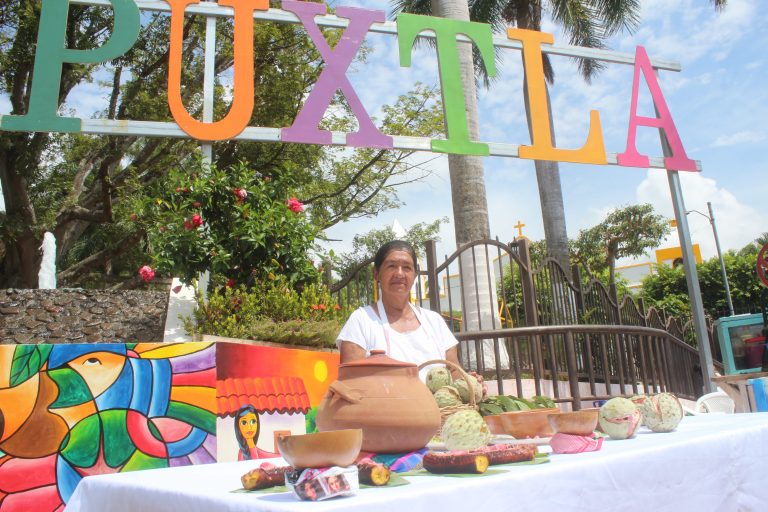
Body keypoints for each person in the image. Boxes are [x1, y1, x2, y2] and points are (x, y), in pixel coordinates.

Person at [336, 240, 467, 381]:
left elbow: (454, 371)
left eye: (406, 267)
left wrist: (469, 382)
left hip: (438, 397)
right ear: (376, 273)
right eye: (391, 266)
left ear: (415, 275)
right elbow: (351, 382)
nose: (399, 273)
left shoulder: (434, 321)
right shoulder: (361, 321)